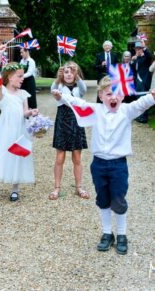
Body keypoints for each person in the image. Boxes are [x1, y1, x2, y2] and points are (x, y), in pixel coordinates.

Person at [52, 75, 155, 255]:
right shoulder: (96, 110)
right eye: (108, 95)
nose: (113, 98)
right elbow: (77, 103)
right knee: (103, 199)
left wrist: (152, 96)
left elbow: (142, 103)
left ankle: (122, 234)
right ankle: (107, 233)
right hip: (99, 164)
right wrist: (61, 96)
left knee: (119, 199)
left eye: (116, 94)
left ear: (123, 96)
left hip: (118, 165)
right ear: (100, 96)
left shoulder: (127, 110)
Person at [0, 44, 39, 202]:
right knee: (2, 153)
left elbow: (24, 112)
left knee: (18, 156)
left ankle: (15, 189)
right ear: (10, 77)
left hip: (19, 129)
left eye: (23, 76)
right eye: (19, 76)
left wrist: (30, 113)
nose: (22, 79)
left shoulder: (23, 93)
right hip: (6, 129)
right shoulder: (1, 91)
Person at [49, 61, 89, 200]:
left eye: (72, 71)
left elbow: (84, 88)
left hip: (77, 121)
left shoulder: (79, 88)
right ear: (62, 74)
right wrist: (57, 79)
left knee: (77, 157)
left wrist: (77, 76)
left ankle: (79, 187)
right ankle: (56, 188)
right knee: (60, 157)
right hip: (63, 120)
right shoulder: (59, 86)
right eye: (66, 72)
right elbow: (52, 90)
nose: (69, 74)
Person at [131, 40, 152, 123]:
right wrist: (132, 60)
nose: (137, 51)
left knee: (144, 99)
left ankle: (144, 118)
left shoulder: (146, 58)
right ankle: (140, 116)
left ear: (142, 49)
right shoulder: (137, 58)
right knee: (139, 99)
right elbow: (133, 69)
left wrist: (145, 47)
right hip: (138, 82)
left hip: (144, 81)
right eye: (136, 49)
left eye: (139, 49)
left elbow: (149, 56)